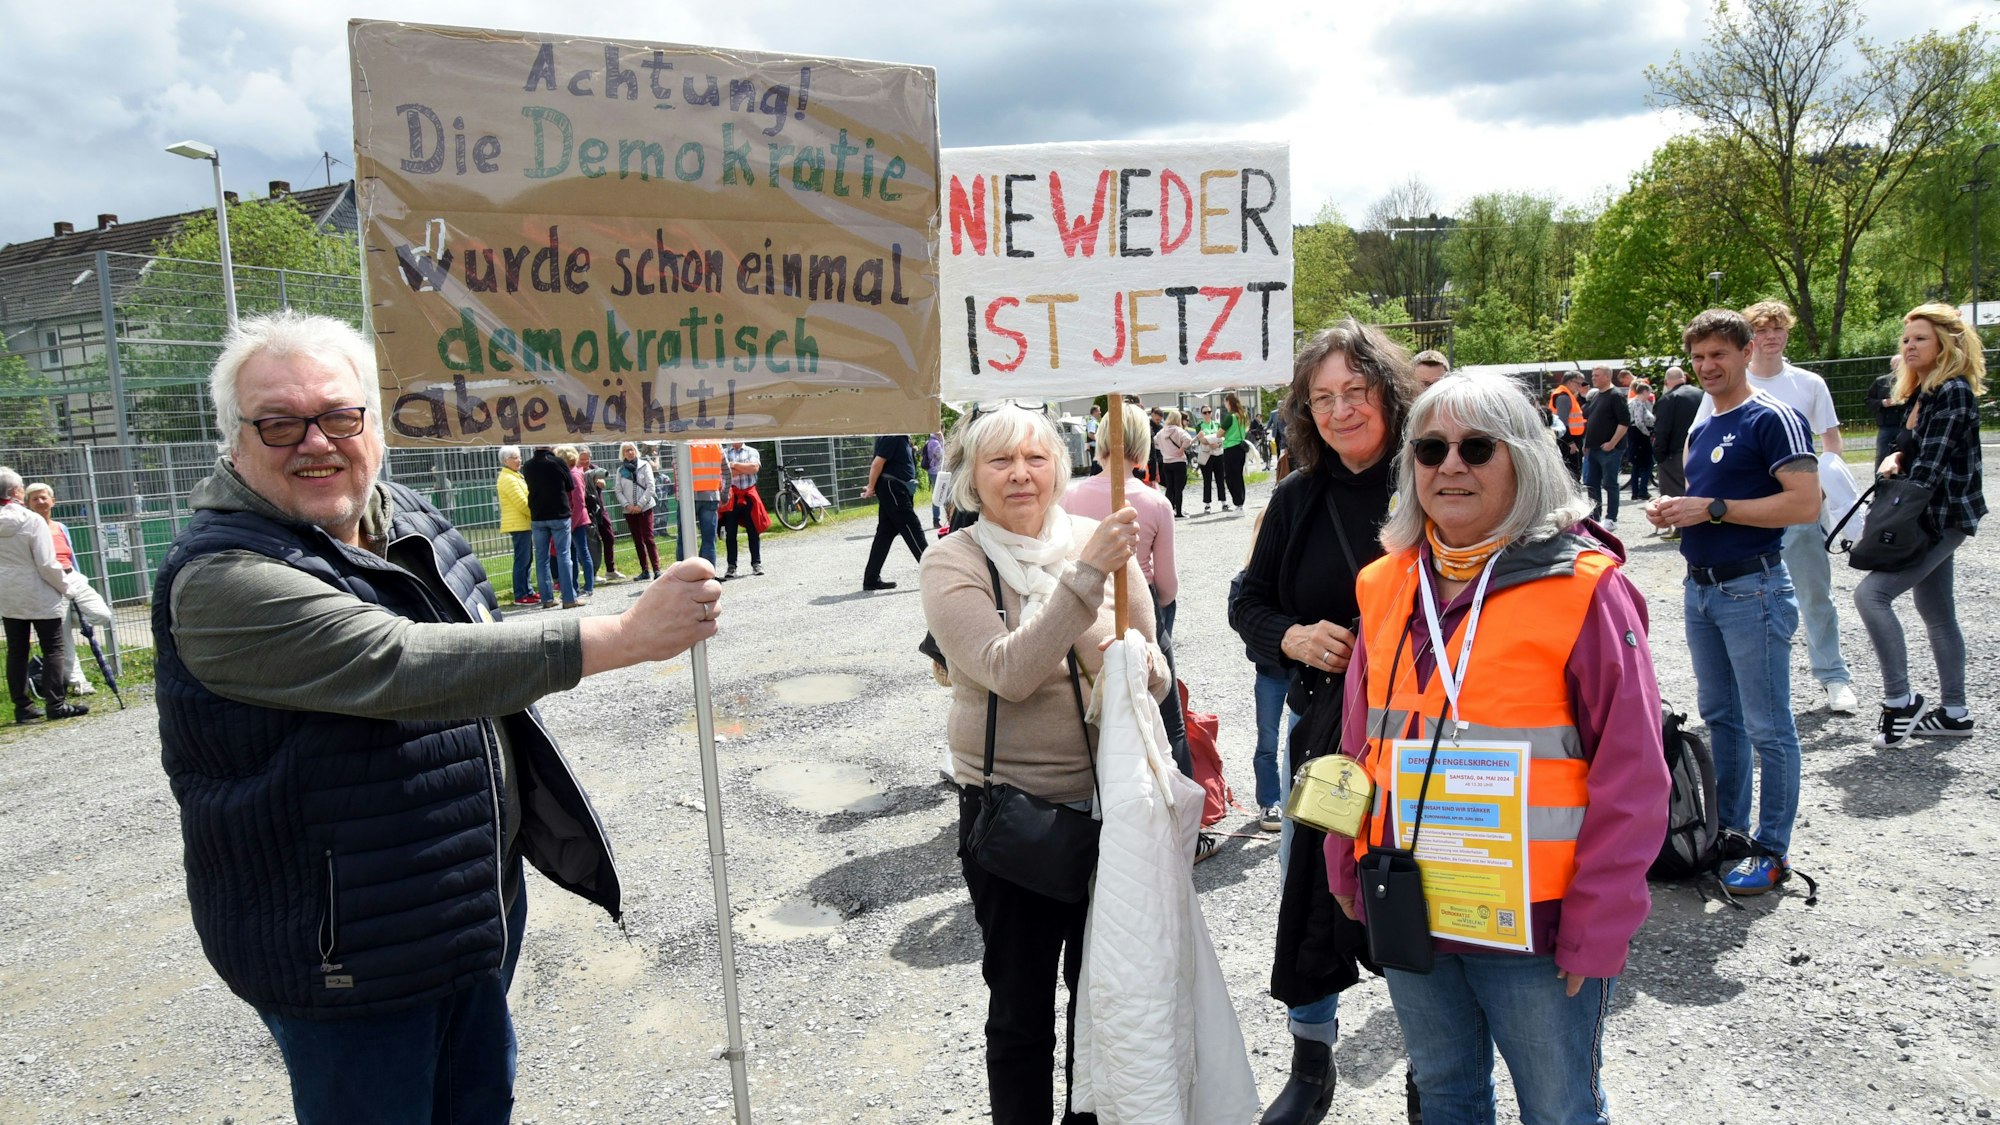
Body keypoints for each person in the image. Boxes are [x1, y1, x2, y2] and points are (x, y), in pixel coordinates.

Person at [151, 311, 723, 1122]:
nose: (315, 441)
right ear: (236, 442)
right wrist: (626, 637)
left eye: (339, 415)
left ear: (373, 423)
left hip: (465, 911)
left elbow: (481, 654)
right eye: (279, 423)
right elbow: (401, 663)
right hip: (348, 951)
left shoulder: (406, 515)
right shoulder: (225, 578)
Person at [1328, 371, 1667, 1125]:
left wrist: (1598, 920)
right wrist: (1341, 858)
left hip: (1539, 925)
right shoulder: (1385, 583)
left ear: (1523, 458)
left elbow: (1635, 774)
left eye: (1477, 446)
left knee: (1559, 1108)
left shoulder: (1587, 587)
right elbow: (1358, 744)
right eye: (1431, 448)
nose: (1451, 465)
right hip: (1409, 897)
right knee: (1445, 1095)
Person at [920, 404, 1166, 1125]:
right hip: (1012, 815)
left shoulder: (1095, 537)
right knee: (1023, 1012)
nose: (1021, 474)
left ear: (1059, 467)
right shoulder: (953, 560)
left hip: (1112, 807)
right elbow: (1010, 669)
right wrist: (1083, 580)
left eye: (1036, 457)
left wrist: (1143, 666)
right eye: (1000, 461)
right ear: (971, 477)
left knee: (1103, 1003)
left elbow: (1152, 670)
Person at [1227, 319, 1420, 1125]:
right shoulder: (1300, 496)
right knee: (1309, 881)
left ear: (1389, 392)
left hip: (1420, 745)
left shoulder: (1433, 475)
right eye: (1323, 397)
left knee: (1412, 892)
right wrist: (1292, 636)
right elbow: (1247, 599)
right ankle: (1313, 1060)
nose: (1341, 411)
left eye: (1356, 391)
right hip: (1327, 749)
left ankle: (1428, 1064)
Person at [1645, 308, 1819, 896]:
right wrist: (1677, 510)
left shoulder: (1774, 418)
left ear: (1747, 352)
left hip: (1754, 588)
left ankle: (1772, 850)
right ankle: (1730, 834)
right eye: (1697, 357)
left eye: (1718, 354)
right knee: (1722, 720)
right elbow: (1709, 499)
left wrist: (1713, 508)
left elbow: (1804, 505)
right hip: (1702, 588)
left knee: (1769, 727)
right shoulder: (1705, 422)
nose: (1707, 366)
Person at [1690, 299, 1856, 713]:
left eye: (1778, 328)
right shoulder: (1717, 390)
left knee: (1815, 592)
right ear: (1750, 340)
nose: (1771, 336)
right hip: (1740, 521)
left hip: (1792, 505)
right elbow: (1698, 443)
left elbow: (1830, 443)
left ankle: (1833, 675)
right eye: (1762, 329)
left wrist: (1827, 492)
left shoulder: (1807, 384)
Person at [1856, 303, 1987, 745]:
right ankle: (1955, 713)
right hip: (1932, 515)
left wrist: (1891, 505)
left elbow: (1930, 469)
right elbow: (1911, 451)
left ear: (1946, 344)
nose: (1910, 346)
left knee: (1871, 594)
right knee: (1937, 612)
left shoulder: (1952, 391)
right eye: (1906, 339)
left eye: (1921, 339)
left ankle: (1900, 702)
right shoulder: (1925, 393)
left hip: (1938, 517)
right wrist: (1896, 454)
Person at [2, 468, 85, 722]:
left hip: (7, 594)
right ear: (17, 491)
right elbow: (47, 564)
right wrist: (66, 588)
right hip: (39, 592)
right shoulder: (32, 520)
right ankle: (55, 704)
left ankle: (22, 708)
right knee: (53, 648)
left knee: (16, 650)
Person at [22, 482, 115, 695]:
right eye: (34, 498)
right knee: (63, 639)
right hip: (48, 582)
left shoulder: (61, 527)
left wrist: (77, 579)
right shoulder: (28, 530)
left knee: (102, 614)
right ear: (28, 504)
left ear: (53, 501)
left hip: (72, 577)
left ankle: (68, 619)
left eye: (43, 497)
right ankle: (77, 682)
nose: (40, 501)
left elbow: (71, 555)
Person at [862, 433, 926, 591]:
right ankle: (935, 574)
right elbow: (877, 463)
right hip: (893, 488)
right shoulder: (893, 436)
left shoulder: (900, 437)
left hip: (894, 487)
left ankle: (871, 579)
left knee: (885, 533)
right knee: (912, 527)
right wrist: (870, 487)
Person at [522, 444, 578, 609]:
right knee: (563, 555)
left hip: (538, 515)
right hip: (559, 514)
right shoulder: (558, 462)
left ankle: (547, 598)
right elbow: (570, 485)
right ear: (550, 446)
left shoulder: (528, 465)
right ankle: (569, 598)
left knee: (541, 558)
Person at [1580, 366, 1630, 528]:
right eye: (1593, 375)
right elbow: (1591, 421)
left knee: (1610, 483)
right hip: (1593, 449)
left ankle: (1611, 518)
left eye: (1597, 375)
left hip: (1609, 449)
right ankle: (1595, 518)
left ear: (1608, 377)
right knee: (1591, 484)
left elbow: (1624, 422)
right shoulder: (1596, 396)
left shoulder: (1616, 395)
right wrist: (1586, 444)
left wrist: (1612, 443)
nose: (1593, 378)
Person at [495, 445, 538, 605]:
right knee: (522, 559)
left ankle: (528, 590)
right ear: (505, 461)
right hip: (518, 524)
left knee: (527, 559)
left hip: (524, 523)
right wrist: (536, 514)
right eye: (515, 457)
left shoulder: (514, 475)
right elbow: (522, 503)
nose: (519, 460)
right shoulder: (507, 478)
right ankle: (520, 594)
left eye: (519, 457)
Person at [614, 442, 662, 581]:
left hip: (645, 507)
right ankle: (644, 570)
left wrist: (640, 504)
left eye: (631, 450)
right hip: (629, 511)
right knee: (637, 540)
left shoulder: (644, 465)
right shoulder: (620, 470)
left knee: (648, 538)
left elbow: (650, 487)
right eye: (626, 451)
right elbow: (618, 490)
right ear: (623, 453)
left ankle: (657, 570)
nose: (629, 452)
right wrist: (627, 505)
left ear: (635, 451)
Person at [720, 440, 765, 579]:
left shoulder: (751, 451)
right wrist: (742, 468)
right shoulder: (725, 453)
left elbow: (754, 468)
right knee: (731, 533)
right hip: (731, 496)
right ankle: (731, 566)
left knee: (753, 530)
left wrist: (733, 466)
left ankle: (756, 563)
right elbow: (723, 473)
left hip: (748, 496)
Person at [556, 445, 596, 601]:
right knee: (572, 554)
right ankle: (574, 586)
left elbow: (579, 502)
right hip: (572, 519)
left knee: (582, 552)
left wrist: (571, 525)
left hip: (577, 520)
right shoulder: (571, 473)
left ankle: (588, 586)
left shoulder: (573, 474)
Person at [578, 446, 622, 582]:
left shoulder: (594, 467)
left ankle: (611, 569)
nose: (585, 462)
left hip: (599, 509)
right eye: (582, 459)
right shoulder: (575, 470)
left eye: (587, 459)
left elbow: (602, 483)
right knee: (591, 542)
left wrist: (595, 480)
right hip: (586, 510)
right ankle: (593, 573)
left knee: (609, 537)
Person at [1154, 408, 1194, 517]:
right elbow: (1188, 440)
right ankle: (1179, 512)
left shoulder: (1161, 432)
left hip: (1167, 463)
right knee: (1178, 488)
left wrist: (1164, 450)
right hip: (1179, 462)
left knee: (1169, 488)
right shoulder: (1178, 430)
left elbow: (1155, 442)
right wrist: (1181, 449)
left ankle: (1169, 512)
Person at [1548, 371, 1586, 478]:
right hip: (1568, 441)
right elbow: (1562, 422)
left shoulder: (1567, 395)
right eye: (1578, 384)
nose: (1580, 387)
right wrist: (1570, 442)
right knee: (1572, 473)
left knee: (1572, 472)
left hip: (1570, 440)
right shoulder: (1564, 397)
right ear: (1569, 382)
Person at [1866, 371, 1906, 469]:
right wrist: (1882, 403)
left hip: (1905, 426)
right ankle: (1879, 481)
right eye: (1895, 364)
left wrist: (1902, 401)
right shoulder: (1880, 381)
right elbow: (1868, 400)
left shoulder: (1911, 381)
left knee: (1906, 454)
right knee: (1882, 455)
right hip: (1886, 426)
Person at [1219, 391, 1251, 510]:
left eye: (1225, 403)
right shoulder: (1242, 415)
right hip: (1241, 447)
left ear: (1228, 402)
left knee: (1230, 477)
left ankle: (1237, 503)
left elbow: (1219, 434)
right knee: (1238, 476)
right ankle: (1240, 502)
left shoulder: (1230, 416)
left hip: (1231, 448)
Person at [1626, 379, 1656, 501]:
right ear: (1644, 392)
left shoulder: (1633, 402)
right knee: (1648, 464)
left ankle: (1636, 491)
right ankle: (1642, 490)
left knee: (1637, 465)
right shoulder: (1638, 403)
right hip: (1640, 435)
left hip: (1635, 434)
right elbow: (1638, 421)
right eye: (1648, 392)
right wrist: (1647, 433)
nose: (1649, 395)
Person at [1195, 404, 1225, 512]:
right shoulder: (1200, 425)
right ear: (1202, 414)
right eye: (1205, 412)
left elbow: (1222, 436)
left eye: (1209, 412)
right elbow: (1201, 439)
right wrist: (1211, 443)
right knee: (1207, 480)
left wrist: (1217, 443)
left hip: (1218, 453)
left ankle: (1224, 502)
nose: (1207, 414)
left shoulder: (1216, 423)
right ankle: (1207, 504)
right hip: (1206, 454)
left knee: (1220, 479)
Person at [923, 431, 947, 527]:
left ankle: (938, 519)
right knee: (939, 495)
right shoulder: (934, 442)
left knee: (940, 494)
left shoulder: (932, 441)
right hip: (935, 472)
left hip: (936, 471)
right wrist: (942, 441)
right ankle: (936, 520)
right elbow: (942, 455)